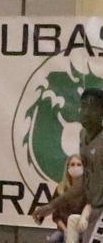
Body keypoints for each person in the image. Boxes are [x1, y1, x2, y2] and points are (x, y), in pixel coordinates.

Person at [34, 88, 103, 243]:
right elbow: (84, 183)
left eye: (92, 107)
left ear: (101, 112)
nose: (85, 111)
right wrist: (51, 206)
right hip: (95, 211)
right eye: (83, 106)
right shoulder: (83, 135)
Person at [45, 154, 90, 243]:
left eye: (79, 164)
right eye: (72, 164)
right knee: (54, 239)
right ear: (68, 167)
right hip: (63, 229)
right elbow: (56, 216)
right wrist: (66, 231)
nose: (75, 167)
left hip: (84, 230)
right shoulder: (60, 189)